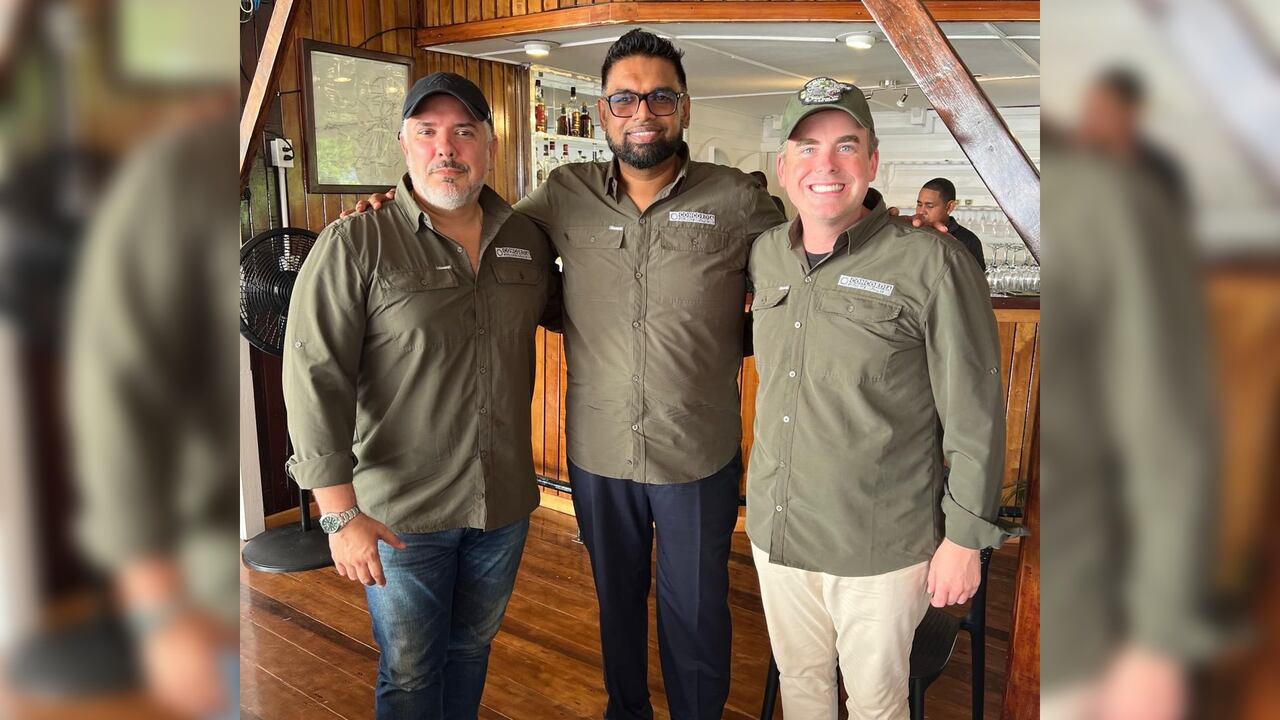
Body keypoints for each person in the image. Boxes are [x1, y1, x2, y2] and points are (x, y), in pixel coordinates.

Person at [281, 72, 560, 719]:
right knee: (409, 673)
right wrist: (340, 516)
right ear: (404, 145)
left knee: (471, 651)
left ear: (489, 146)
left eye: (464, 132)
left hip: (504, 506)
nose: (447, 148)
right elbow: (313, 376)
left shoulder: (525, 241)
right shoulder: (358, 241)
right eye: (428, 132)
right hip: (402, 515)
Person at [745, 77, 1021, 719]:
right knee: (802, 687)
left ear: (872, 162)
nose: (826, 165)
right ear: (784, 167)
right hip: (778, 529)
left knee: (875, 704)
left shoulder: (932, 264)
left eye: (846, 146)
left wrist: (964, 539)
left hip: (877, 545)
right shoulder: (766, 255)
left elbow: (976, 413)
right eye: (807, 148)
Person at [914, 177, 985, 270]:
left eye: (929, 206)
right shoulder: (910, 232)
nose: (921, 211)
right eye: (919, 205)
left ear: (949, 207)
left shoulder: (968, 241)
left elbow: (976, 281)